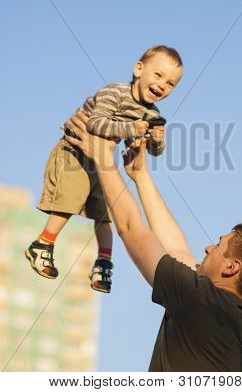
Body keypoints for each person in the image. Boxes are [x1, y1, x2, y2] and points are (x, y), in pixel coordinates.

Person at [64, 111, 242, 372]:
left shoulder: (199, 298)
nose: (207, 248)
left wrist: (101, 156)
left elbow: (131, 229)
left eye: (218, 245)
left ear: (232, 267)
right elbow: (177, 250)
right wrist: (141, 175)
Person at [25, 45, 183, 293]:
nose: (163, 85)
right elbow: (96, 123)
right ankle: (43, 244)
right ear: (139, 69)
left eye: (171, 83)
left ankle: (103, 262)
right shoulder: (115, 92)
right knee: (70, 198)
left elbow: (155, 152)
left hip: (101, 160)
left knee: (105, 212)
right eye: (158, 75)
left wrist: (155, 139)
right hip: (75, 151)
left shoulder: (151, 113)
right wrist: (132, 129)